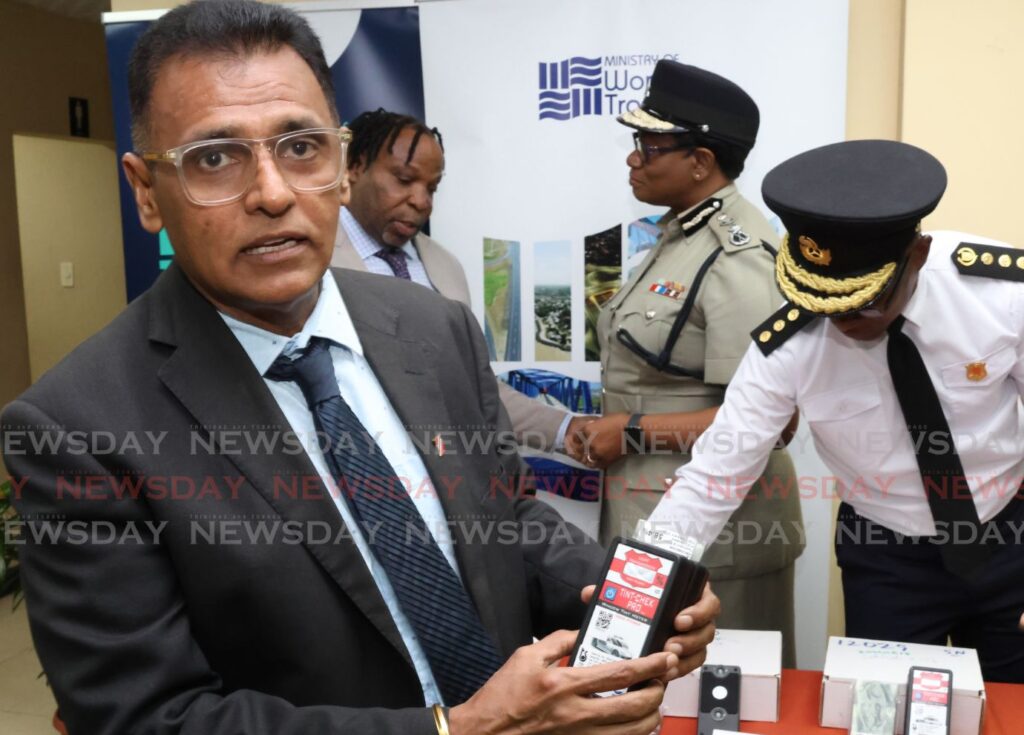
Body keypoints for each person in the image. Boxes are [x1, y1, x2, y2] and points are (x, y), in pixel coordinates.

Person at [0, 2, 720, 733]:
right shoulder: (77, 427)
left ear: (342, 167)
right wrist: (462, 728)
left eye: (302, 147)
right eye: (214, 158)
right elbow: (148, 718)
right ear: (147, 191)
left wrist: (630, 595)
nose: (273, 193)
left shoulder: (433, 326)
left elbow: (506, 516)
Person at [642, 138, 1024, 683]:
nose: (842, 321)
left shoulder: (998, 293)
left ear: (916, 254)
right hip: (886, 555)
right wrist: (642, 587)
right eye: (823, 301)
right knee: (884, 712)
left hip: (1008, 539)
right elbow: (714, 476)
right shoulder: (791, 344)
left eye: (863, 301)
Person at [566, 60, 803, 665]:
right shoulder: (677, 237)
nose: (633, 158)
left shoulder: (739, 256)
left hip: (722, 540)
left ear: (701, 162)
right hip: (654, 516)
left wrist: (636, 432)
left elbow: (772, 421)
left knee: (725, 705)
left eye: (649, 145)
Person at [332, 108, 586, 453]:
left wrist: (567, 430)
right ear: (355, 168)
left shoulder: (444, 266)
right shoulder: (311, 259)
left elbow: (473, 387)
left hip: (450, 478)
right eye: (405, 180)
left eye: (432, 188)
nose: (421, 202)